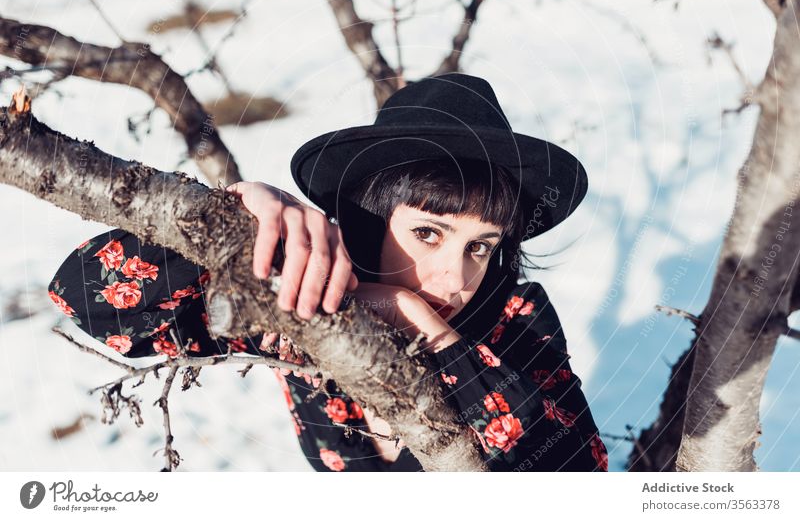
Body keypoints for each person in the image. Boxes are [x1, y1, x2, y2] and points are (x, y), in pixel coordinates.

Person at [47, 73, 608, 472]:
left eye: (481, 247)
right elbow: (92, 300)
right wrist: (231, 212)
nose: (456, 277)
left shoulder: (517, 316)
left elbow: (573, 472)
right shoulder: (303, 307)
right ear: (368, 223)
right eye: (428, 233)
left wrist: (428, 330)